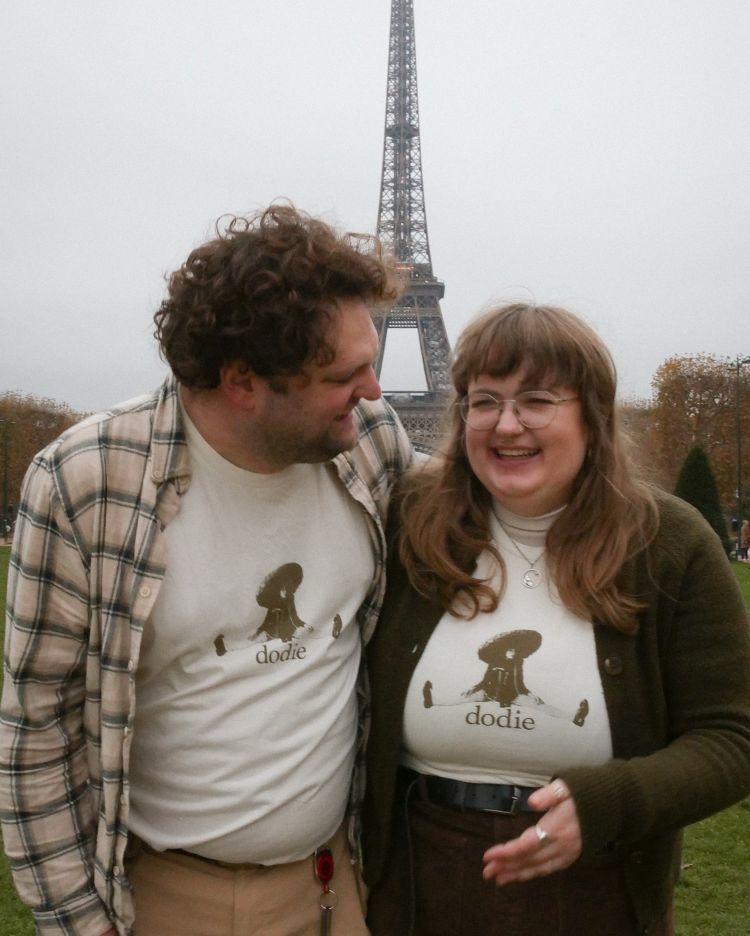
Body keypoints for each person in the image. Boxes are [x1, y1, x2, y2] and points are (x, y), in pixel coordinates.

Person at [0, 205, 414, 936]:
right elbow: (37, 731)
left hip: (331, 889)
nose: (376, 391)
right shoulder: (84, 480)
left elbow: (483, 516)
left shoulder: (372, 443)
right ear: (244, 382)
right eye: (345, 375)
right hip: (165, 902)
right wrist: (78, 927)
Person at [362, 303, 750, 936]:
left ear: (591, 419)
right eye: (484, 401)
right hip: (416, 882)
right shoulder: (411, 525)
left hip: (595, 884)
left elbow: (732, 739)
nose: (506, 424)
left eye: (536, 400)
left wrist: (608, 803)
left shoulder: (669, 544)